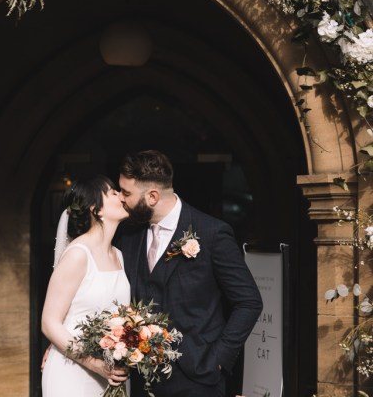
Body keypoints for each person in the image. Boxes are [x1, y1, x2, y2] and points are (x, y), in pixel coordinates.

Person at [115, 150, 263, 397]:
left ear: (152, 196)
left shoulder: (213, 233)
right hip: (142, 379)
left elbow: (249, 301)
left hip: (198, 377)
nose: (120, 198)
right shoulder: (129, 235)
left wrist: (218, 358)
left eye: (126, 193)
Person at [41, 175, 131, 397]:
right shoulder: (78, 255)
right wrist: (94, 364)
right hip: (72, 371)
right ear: (96, 209)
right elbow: (49, 323)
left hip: (110, 372)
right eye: (113, 192)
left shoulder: (118, 255)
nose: (122, 196)